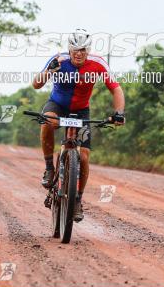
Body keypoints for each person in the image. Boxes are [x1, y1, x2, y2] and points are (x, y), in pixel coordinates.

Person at [31, 28, 125, 222]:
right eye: (75, 49)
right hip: (57, 105)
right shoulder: (59, 59)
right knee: (47, 122)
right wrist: (50, 70)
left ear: (88, 49)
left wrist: (119, 114)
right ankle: (49, 168)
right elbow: (36, 84)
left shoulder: (98, 64)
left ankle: (77, 200)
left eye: (83, 49)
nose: (79, 53)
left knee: (83, 156)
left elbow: (116, 89)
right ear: (69, 48)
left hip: (81, 111)